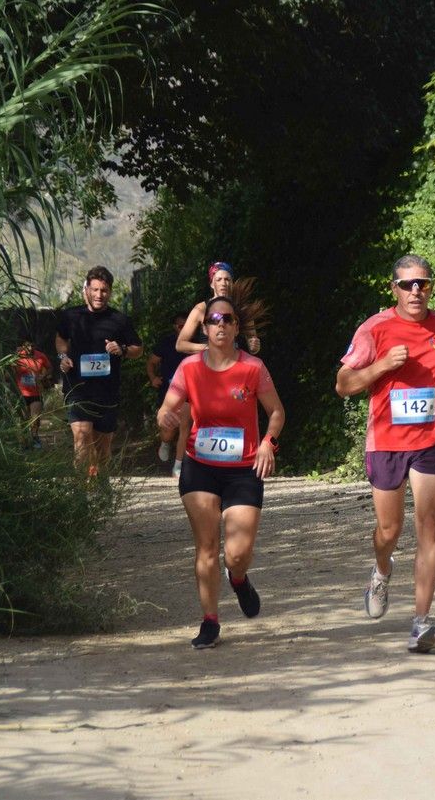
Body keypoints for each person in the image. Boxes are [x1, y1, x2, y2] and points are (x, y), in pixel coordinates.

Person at [335, 254, 435, 653]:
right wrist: (380, 367)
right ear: (393, 288)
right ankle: (380, 569)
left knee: (429, 525)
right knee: (389, 531)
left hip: (432, 438)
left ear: (431, 287)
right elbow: (343, 384)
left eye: (422, 284)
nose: (415, 291)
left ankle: (421, 621)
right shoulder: (375, 329)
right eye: (407, 285)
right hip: (387, 441)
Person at [157, 292, 284, 649]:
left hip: (244, 469)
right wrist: (164, 418)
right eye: (214, 320)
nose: (221, 325)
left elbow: (276, 412)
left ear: (237, 327)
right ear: (204, 327)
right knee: (207, 547)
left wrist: (267, 444)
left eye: (228, 319)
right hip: (200, 467)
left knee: (237, 554)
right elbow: (166, 409)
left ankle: (239, 579)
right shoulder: (189, 368)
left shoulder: (252, 368)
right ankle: (210, 620)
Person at [170, 262, 262, 478]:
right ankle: (180, 462)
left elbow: (253, 343)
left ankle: (244, 461)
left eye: (227, 279)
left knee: (240, 414)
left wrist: (255, 346)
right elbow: (180, 344)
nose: (223, 283)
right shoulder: (201, 309)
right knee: (188, 419)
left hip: (234, 372)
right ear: (211, 283)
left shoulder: (240, 310)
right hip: (202, 371)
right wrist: (208, 349)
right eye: (219, 279)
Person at [55, 266, 143, 476]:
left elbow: (138, 350)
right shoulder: (71, 316)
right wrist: (63, 357)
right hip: (77, 389)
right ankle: (81, 494)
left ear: (110, 292)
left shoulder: (119, 320)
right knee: (82, 436)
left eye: (103, 290)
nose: (99, 295)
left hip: (106, 392)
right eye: (94, 290)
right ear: (87, 290)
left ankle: (101, 487)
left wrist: (121, 349)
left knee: (103, 448)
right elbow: (60, 339)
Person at [147, 313, 189, 466]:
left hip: (190, 393)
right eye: (180, 325)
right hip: (168, 392)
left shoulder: (198, 343)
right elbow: (151, 362)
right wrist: (153, 378)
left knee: (186, 426)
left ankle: (180, 464)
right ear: (175, 327)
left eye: (187, 324)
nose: (184, 328)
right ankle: (165, 443)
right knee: (169, 429)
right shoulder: (166, 343)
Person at [12, 338, 52, 448]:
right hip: (21, 393)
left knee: (35, 418)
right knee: (24, 419)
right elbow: (9, 370)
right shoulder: (17, 356)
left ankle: (35, 437)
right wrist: (14, 356)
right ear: (23, 346)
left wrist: (43, 375)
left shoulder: (40, 356)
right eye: (27, 346)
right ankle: (24, 441)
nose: (30, 348)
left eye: (32, 346)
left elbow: (49, 368)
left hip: (36, 392)